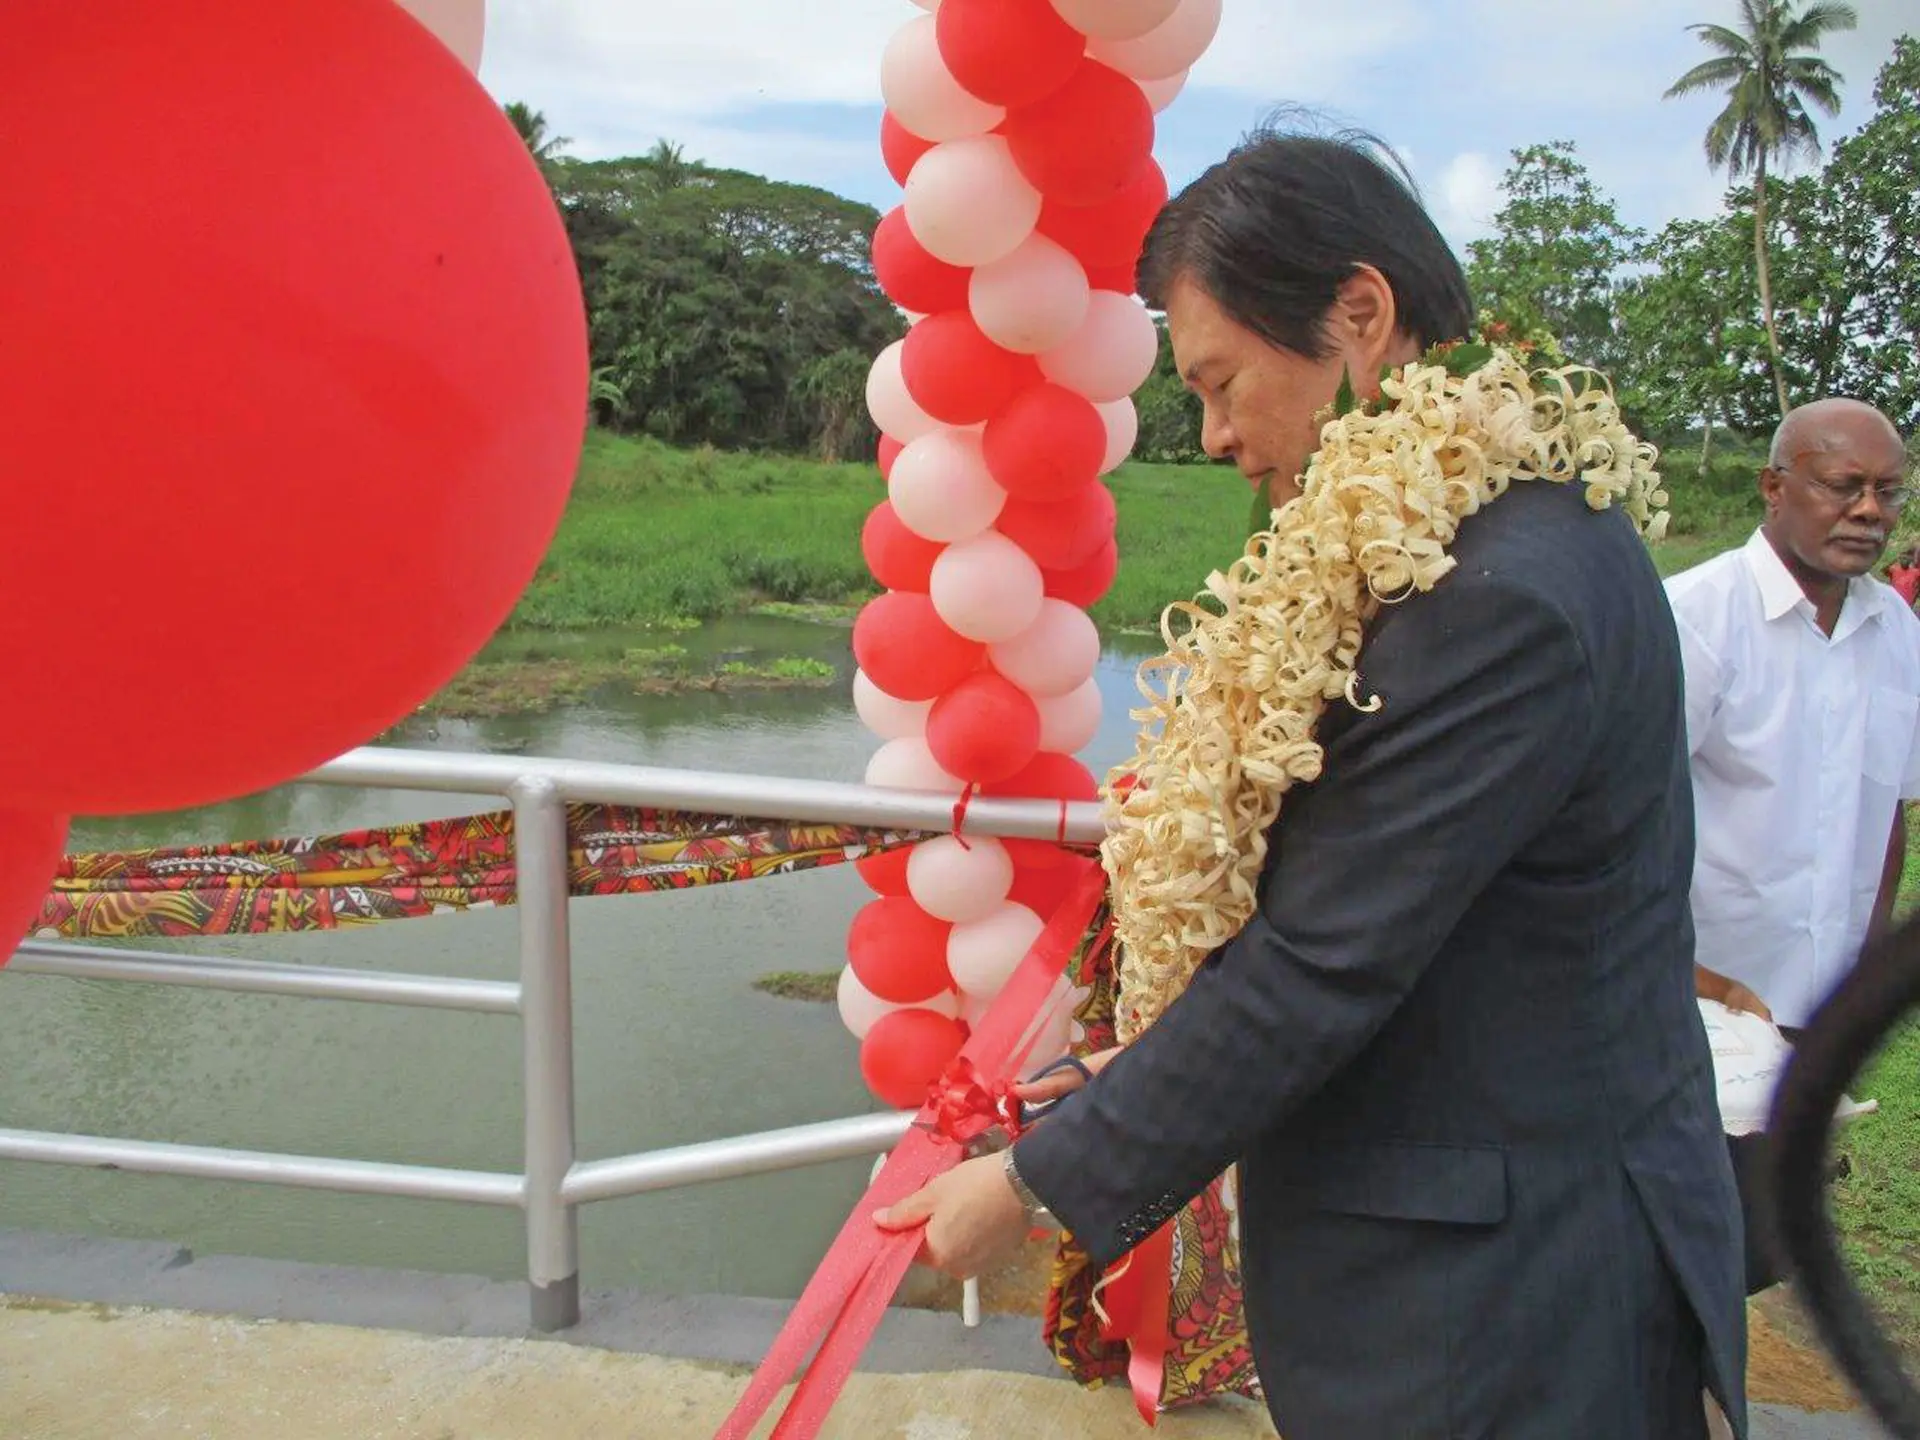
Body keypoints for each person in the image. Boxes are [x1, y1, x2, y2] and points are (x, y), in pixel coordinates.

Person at [877, 126, 1747, 1440]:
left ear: (1359, 314)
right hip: (1490, 1251)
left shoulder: (1493, 597)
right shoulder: (1487, 528)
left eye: (1225, 383)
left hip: (1510, 1299)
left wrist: (1030, 1184)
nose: (1219, 436)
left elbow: (1322, 965)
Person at [1666, 399, 1920, 1309]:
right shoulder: (1698, 621)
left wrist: (1865, 963)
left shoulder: (1896, 634)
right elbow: (1630, 819)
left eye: (1888, 492)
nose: (1869, 512)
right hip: (1696, 1007)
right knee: (1687, 1229)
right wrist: (1691, 978)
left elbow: (1889, 810)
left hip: (1814, 1004)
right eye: (1843, 486)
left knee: (1768, 1233)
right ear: (1776, 487)